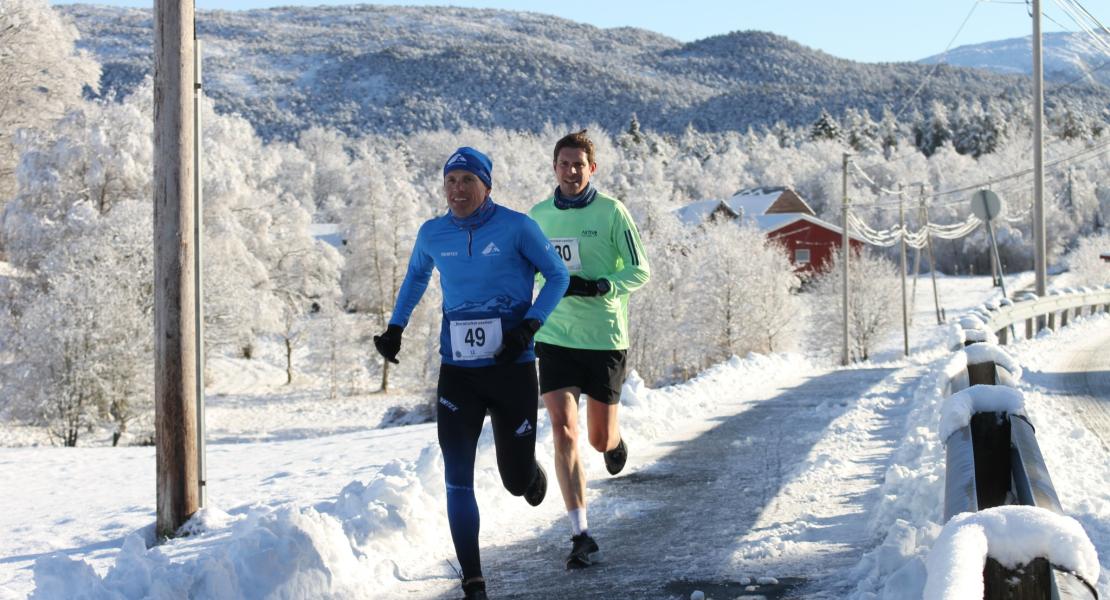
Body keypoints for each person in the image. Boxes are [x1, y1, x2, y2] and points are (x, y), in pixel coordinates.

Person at [373, 146, 569, 600]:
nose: (457, 189)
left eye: (467, 180)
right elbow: (416, 278)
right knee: (456, 476)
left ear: (487, 185)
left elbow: (558, 275)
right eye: (451, 180)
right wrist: (395, 328)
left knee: (514, 480)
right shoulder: (432, 233)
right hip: (458, 373)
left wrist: (530, 325)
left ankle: (527, 473)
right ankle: (473, 579)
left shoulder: (518, 227)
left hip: (512, 370)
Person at [527, 130, 650, 569]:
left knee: (598, 438)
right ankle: (580, 534)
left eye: (579, 164)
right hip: (556, 336)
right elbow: (525, 270)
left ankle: (614, 441)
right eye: (564, 164)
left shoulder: (613, 212)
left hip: (603, 338)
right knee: (563, 431)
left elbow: (640, 270)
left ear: (591, 168)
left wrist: (602, 286)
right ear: (554, 167)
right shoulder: (538, 217)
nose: (571, 171)